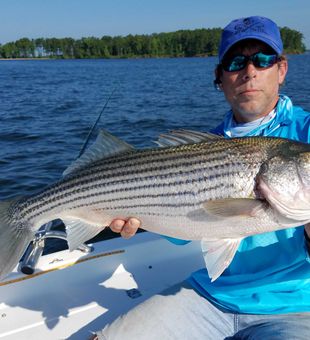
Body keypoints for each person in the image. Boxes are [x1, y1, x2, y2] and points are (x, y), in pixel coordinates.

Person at [93, 16, 310, 339]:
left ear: (281, 70)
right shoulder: (204, 146)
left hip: (293, 305)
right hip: (212, 295)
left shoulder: (304, 133)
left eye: (263, 60)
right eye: (237, 61)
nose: (250, 71)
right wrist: (140, 214)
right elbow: (186, 231)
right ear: (219, 78)